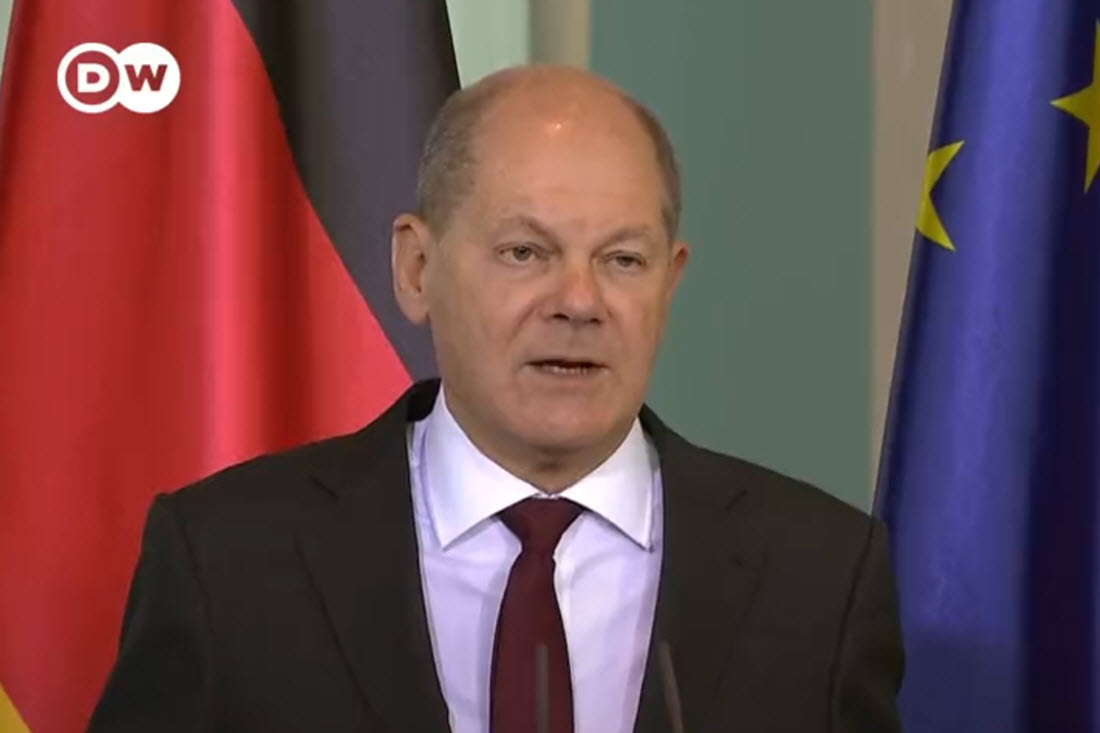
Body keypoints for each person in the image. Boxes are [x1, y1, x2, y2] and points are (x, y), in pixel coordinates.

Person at [88, 65, 903, 733]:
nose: (579, 301)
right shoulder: (228, 559)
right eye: (525, 252)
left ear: (671, 283)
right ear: (416, 269)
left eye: (622, 260)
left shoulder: (820, 576)